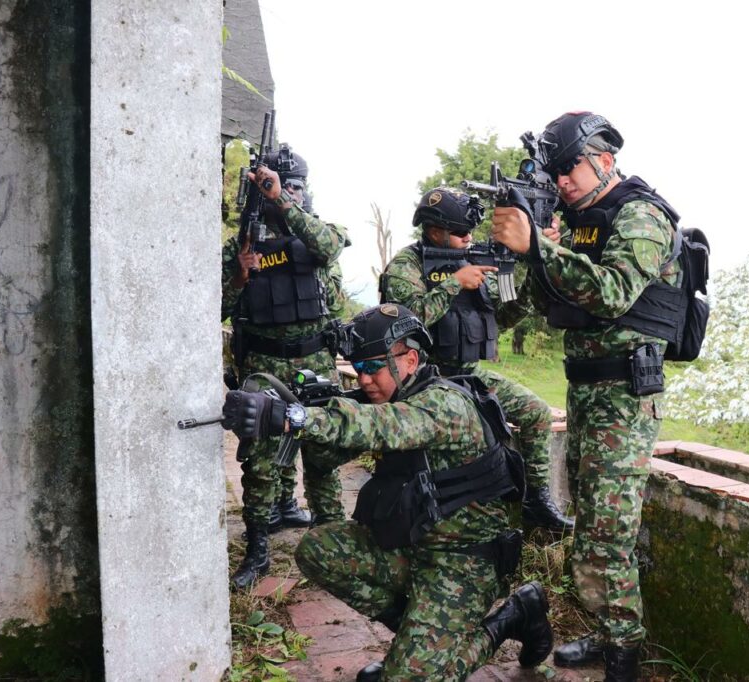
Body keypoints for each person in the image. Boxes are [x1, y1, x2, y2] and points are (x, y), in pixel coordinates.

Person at [219, 304, 554, 681]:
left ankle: (511, 618)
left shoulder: (444, 404)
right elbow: (331, 455)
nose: (362, 380)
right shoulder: (393, 397)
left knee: (408, 678)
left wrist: (293, 417)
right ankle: (419, 637)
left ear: (409, 360)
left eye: (371, 368)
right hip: (413, 546)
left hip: (466, 560)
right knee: (317, 549)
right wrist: (305, 412)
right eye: (357, 369)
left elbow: (380, 426)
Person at [491, 112, 681, 682]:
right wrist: (532, 254)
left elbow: (615, 291)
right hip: (588, 391)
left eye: (568, 167)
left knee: (609, 531)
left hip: (625, 394)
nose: (562, 181)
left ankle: (625, 657)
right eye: (555, 172)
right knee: (591, 520)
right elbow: (537, 307)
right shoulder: (580, 223)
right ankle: (607, 632)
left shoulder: (641, 215)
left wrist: (541, 250)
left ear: (604, 157)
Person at [378, 187, 574, 533]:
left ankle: (536, 502)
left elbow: (504, 317)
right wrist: (453, 284)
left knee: (537, 413)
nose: (468, 238)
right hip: (423, 380)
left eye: (470, 231)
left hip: (469, 376)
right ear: (434, 229)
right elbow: (408, 324)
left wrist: (534, 264)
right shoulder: (406, 267)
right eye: (460, 233)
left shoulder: (475, 258)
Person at [221, 145, 349, 590]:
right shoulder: (243, 244)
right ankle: (258, 549)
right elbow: (214, 306)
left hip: (314, 358)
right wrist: (239, 276)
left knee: (323, 453)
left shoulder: (314, 231)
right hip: (263, 362)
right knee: (259, 462)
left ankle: (333, 543)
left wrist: (281, 202)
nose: (285, 193)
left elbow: (330, 246)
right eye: (275, 187)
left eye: (292, 187)